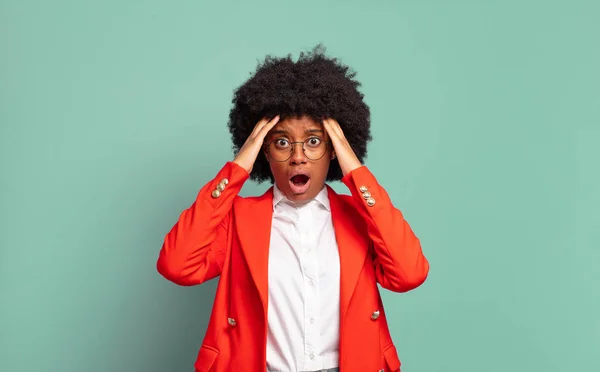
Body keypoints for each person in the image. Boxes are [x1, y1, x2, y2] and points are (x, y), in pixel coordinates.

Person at [156, 45, 429, 372]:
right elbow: (177, 265)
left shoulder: (360, 217)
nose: (298, 156)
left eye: (314, 141)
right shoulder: (237, 219)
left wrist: (355, 171)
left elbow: (409, 274)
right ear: (264, 153)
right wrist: (238, 167)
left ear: (333, 152)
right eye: (282, 142)